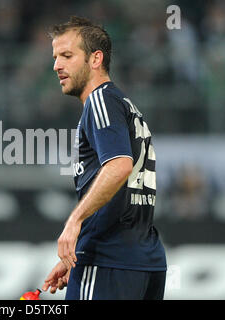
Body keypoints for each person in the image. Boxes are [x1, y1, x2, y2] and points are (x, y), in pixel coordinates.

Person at [41, 16, 167, 300]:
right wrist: (76, 255)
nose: (56, 66)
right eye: (55, 57)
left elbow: (119, 165)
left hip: (109, 258)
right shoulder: (124, 105)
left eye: (66, 55)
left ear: (95, 58)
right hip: (143, 260)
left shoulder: (101, 101)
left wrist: (74, 223)